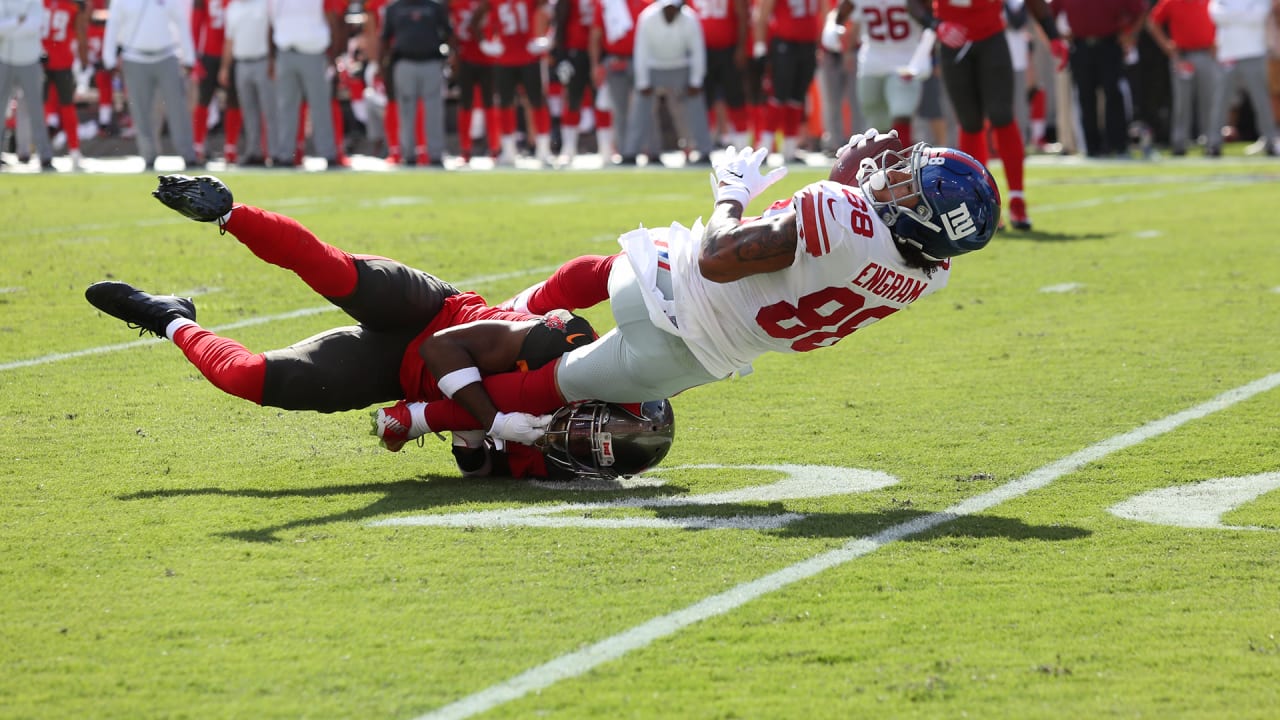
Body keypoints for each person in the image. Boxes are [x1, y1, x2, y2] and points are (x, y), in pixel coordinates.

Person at [81, 175, 645, 479]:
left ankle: (170, 316)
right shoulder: (558, 349)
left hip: (401, 375)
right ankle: (230, 212)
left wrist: (469, 434)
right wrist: (638, 268)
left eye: (600, 448)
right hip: (435, 314)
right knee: (333, 270)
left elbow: (469, 458)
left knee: (248, 379)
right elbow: (550, 293)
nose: (592, 440)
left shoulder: (554, 456)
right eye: (603, 431)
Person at [476, 130, 999, 416]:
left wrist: (732, 190)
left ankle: (495, 320)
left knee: (592, 274)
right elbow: (843, 249)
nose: (897, 174)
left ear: (925, 219)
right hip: (709, 358)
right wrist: (851, 177)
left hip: (678, 290)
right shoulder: (930, 272)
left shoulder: (841, 214)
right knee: (549, 389)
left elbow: (718, 255)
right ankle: (422, 415)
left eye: (910, 185)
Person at [906, 0, 1067, 231]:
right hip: (954, 42)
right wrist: (936, 24)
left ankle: (1017, 200)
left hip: (991, 39)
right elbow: (913, 3)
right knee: (969, 123)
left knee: (1002, 116)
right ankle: (979, 203)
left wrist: (1053, 35)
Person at [102, 0, 200, 170]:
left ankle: (188, 155)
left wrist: (189, 56)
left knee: (178, 108)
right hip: (134, 57)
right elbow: (113, 25)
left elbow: (181, 21)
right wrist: (109, 58)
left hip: (167, 55)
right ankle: (148, 155)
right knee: (140, 111)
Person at [620, 0, 714, 165]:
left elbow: (697, 51)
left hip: (681, 66)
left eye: (674, 8)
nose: (671, 12)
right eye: (668, 8)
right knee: (639, 105)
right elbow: (641, 50)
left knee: (696, 103)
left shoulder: (690, 19)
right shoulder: (647, 18)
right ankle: (631, 152)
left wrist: (695, 81)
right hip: (653, 66)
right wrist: (643, 82)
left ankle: (704, 149)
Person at [1052, 0, 1148, 157]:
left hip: (1109, 45)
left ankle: (1117, 145)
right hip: (1080, 46)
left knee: (1113, 95)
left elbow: (1140, 10)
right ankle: (1091, 147)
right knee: (1085, 96)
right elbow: (1049, 14)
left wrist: (1131, 34)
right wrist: (1057, 36)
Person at [269, 0, 346, 168]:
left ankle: (329, 154)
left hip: (314, 53)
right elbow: (272, 22)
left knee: (320, 106)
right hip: (285, 51)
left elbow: (332, 19)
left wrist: (333, 55)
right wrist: (272, 57)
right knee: (286, 107)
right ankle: (285, 155)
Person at [378, 0, 451, 167]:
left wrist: (450, 56)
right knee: (406, 111)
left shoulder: (435, 7)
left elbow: (448, 32)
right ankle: (408, 154)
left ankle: (435, 154)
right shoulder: (393, 8)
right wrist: (380, 63)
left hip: (431, 61)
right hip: (404, 62)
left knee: (434, 110)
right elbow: (385, 37)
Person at [1147, 0, 1219, 156]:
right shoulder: (1171, 2)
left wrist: (1217, 43)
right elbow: (1153, 22)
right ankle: (1179, 143)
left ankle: (1211, 142)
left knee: (1209, 101)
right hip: (1181, 57)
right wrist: (1166, 46)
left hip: (1205, 54)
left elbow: (1222, 21)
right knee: (1182, 103)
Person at [1209, 0, 1278, 156]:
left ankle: (1270, 142)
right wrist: (1245, 15)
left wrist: (1232, 17)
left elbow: (1259, 17)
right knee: (1220, 101)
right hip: (1227, 55)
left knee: (1262, 101)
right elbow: (1216, 15)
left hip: (1254, 53)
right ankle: (1214, 143)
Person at [1, 0, 56, 171]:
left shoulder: (34, 1)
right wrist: (18, 21)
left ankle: (44, 155)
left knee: (36, 110)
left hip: (30, 59)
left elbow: (35, 25)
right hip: (4, 59)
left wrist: (9, 27)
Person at [222, 0, 277, 166]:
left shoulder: (265, 4)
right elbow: (229, 39)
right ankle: (254, 151)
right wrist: (225, 67)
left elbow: (273, 31)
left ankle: (275, 152)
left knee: (270, 111)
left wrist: (273, 61)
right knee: (249, 111)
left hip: (263, 61)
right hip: (241, 63)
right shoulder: (232, 8)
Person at [40, 0, 89, 169]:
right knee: (67, 108)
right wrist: (84, 59)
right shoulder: (72, 5)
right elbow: (80, 32)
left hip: (41, 60)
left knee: (41, 108)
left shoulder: (41, 4)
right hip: (62, 62)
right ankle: (74, 151)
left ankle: (42, 152)